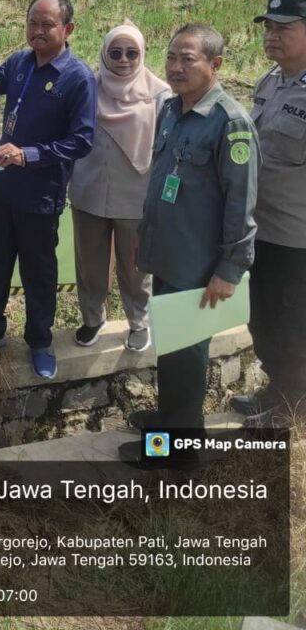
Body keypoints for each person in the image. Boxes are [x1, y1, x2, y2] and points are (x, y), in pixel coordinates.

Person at [119, 23, 259, 463]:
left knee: (186, 355)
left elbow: (241, 203)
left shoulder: (229, 123)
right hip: (169, 254)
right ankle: (171, 417)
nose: (176, 68)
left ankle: (175, 454)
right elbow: (162, 182)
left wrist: (229, 270)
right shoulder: (172, 109)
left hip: (199, 265)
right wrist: (146, 239)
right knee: (173, 348)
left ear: (215, 65)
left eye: (189, 59)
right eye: (172, 58)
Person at [0, 0, 97, 380]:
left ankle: (40, 340)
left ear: (68, 29)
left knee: (39, 273)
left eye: (47, 25)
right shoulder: (20, 63)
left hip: (41, 195)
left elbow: (83, 140)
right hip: (2, 190)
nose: (37, 32)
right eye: (32, 23)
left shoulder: (77, 78)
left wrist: (28, 154)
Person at [69, 21, 171, 352]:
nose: (123, 59)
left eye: (132, 52)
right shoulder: (87, 87)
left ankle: (138, 323)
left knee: (136, 268)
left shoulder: (160, 95)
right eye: (115, 52)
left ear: (142, 54)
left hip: (136, 196)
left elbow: (167, 148)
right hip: (89, 188)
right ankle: (92, 318)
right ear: (104, 53)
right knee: (90, 264)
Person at [231, 0, 306, 428]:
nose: (272, 37)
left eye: (284, 28)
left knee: (295, 324)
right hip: (264, 229)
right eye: (268, 28)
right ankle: (278, 388)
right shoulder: (268, 82)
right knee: (264, 320)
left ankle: (293, 408)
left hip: (298, 236)